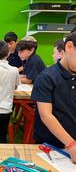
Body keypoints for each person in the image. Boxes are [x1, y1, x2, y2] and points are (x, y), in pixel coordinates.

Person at [31, 32, 76, 163]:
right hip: (51, 147)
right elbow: (46, 116)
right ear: (69, 47)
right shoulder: (47, 77)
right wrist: (71, 145)